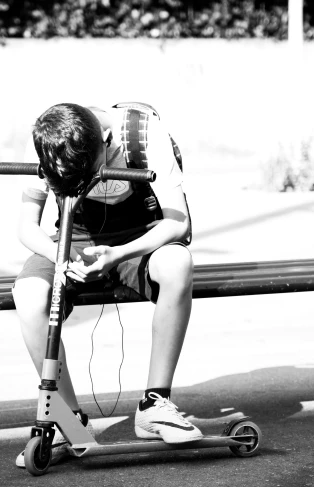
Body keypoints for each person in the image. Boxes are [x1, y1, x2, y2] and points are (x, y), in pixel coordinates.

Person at [12, 102, 202, 468]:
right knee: (29, 293)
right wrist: (59, 257)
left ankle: (154, 405)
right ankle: (69, 420)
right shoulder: (49, 140)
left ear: (106, 140)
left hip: (139, 238)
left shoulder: (145, 136)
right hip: (73, 238)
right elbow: (26, 228)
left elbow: (178, 224)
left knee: (178, 262)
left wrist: (118, 254)